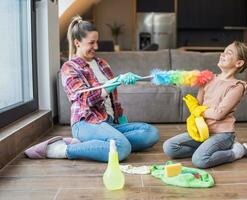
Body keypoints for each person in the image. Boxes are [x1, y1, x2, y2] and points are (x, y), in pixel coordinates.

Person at [25, 16, 159, 162]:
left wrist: (121, 120)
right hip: (86, 122)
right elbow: (87, 99)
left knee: (150, 133)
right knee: (121, 148)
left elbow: (113, 100)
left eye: (97, 42)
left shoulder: (102, 64)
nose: (96, 47)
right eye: (91, 43)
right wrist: (115, 81)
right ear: (77, 43)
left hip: (109, 123)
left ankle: (98, 144)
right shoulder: (69, 68)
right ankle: (62, 149)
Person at [163, 41, 247, 169]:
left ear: (239, 63)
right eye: (223, 51)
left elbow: (218, 114)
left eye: (228, 53)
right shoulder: (209, 79)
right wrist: (196, 89)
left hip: (222, 134)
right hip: (203, 131)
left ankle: (237, 151)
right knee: (169, 147)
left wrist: (198, 110)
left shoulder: (237, 86)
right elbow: (199, 105)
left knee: (200, 161)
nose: (222, 55)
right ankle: (206, 149)